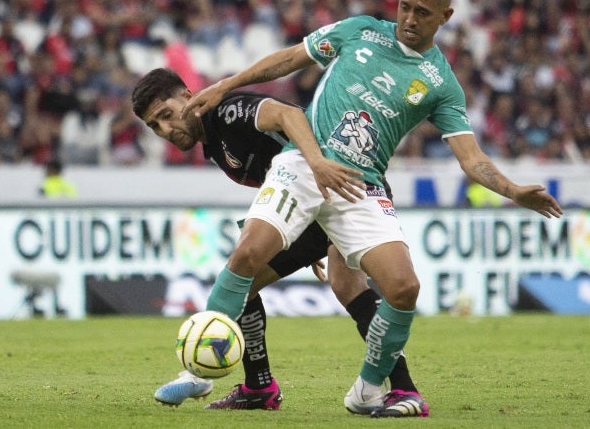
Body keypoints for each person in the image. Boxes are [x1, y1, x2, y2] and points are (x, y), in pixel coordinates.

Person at [181, 0, 563, 418]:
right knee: (247, 255)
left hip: (360, 186)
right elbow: (290, 58)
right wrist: (226, 84)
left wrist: (514, 190)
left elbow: (471, 158)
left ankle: (367, 390)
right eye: (405, 6)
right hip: (304, 164)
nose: (410, 18)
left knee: (403, 288)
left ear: (446, 14)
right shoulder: (359, 30)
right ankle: (197, 370)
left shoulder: (441, 85)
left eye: (423, 11)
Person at [130, 68, 424, 415]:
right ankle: (261, 387)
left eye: (166, 115)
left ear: (188, 95)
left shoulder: (228, 111)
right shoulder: (213, 140)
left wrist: (315, 167)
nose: (166, 129)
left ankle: (228, 379)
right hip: (316, 201)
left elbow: (289, 114)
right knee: (342, 284)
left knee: (244, 277)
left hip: (341, 186)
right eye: (155, 126)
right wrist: (297, 230)